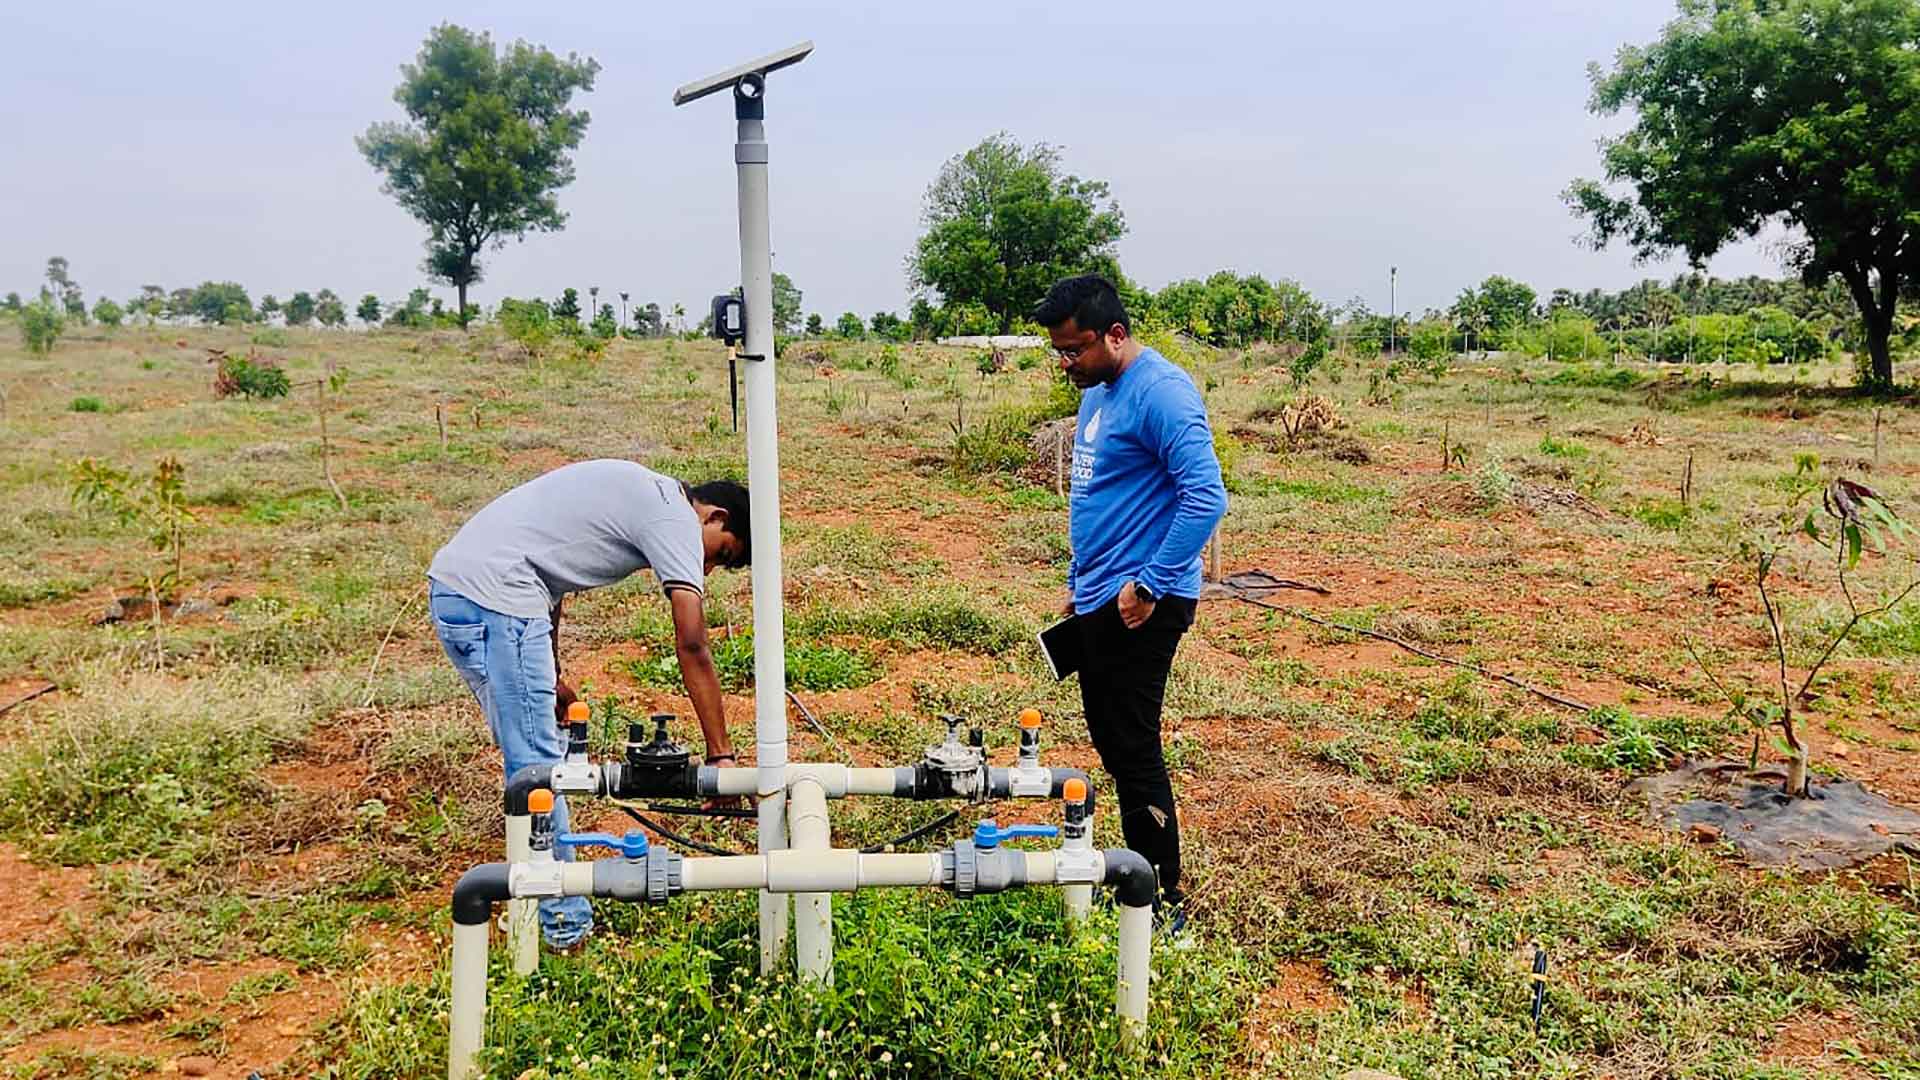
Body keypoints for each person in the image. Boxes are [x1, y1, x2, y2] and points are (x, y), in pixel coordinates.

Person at [426, 459, 750, 951]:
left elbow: (550, 575)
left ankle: (536, 887)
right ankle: (562, 925)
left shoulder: (643, 491)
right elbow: (692, 644)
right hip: (498, 599)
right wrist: (721, 755)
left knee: (532, 755)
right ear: (715, 517)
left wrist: (551, 674)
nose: (706, 568)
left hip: (457, 592)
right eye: (721, 555)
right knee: (539, 770)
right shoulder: (674, 518)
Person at [1036, 274, 1227, 934]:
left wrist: (1148, 583)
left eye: (1075, 350)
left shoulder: (1162, 394)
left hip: (1144, 603)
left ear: (1115, 335)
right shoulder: (1099, 390)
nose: (1067, 364)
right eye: (1058, 352)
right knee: (1114, 742)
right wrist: (1080, 576)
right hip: (1101, 594)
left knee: (1133, 746)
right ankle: (1140, 876)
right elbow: (1100, 495)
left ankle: (1160, 897)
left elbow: (1206, 497)